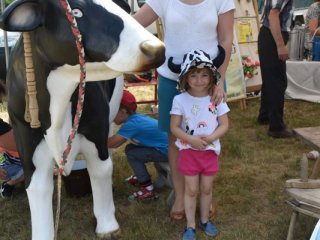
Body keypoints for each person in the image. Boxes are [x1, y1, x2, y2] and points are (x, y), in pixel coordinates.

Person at [134, 0, 235, 219]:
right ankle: (181, 195)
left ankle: (206, 192)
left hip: (210, 80)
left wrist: (219, 79)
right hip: (172, 80)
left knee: (208, 137)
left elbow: (226, 39)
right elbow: (134, 23)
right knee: (174, 139)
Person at [170, 49, 229, 240]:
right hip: (189, 152)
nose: (199, 79)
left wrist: (210, 139)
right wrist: (191, 139)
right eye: (193, 75)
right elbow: (175, 128)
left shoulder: (216, 98)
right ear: (185, 78)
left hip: (210, 152)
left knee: (206, 189)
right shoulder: (179, 100)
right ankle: (190, 226)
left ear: (212, 76)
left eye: (204, 75)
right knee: (192, 189)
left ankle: (205, 220)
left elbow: (225, 124)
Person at [108, 90, 168, 201]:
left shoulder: (132, 125)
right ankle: (140, 175)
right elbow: (116, 145)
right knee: (130, 149)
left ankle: (148, 189)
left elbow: (110, 143)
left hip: (167, 152)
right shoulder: (135, 119)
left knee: (132, 153)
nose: (110, 116)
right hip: (167, 148)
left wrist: (94, 138)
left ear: (122, 111)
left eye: (111, 111)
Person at [257, 0, 294, 138]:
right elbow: (273, 15)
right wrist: (280, 45)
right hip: (272, 36)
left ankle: (265, 116)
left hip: (268, 35)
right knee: (277, 83)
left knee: (269, 80)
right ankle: (276, 128)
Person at [0, 81, 24, 198]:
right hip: (11, 163)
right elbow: (20, 144)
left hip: (9, 162)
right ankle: (10, 183)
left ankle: (14, 180)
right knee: (38, 166)